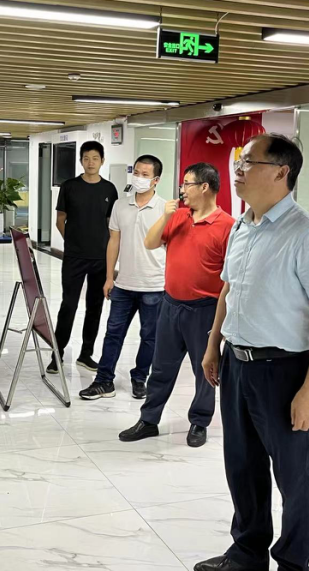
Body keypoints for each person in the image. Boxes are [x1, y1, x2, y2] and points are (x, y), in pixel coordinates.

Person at [198, 134, 309, 571]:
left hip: (284, 371)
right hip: (236, 364)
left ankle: (293, 563)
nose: (238, 170)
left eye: (248, 162)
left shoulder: (308, 235)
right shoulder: (242, 226)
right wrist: (213, 344)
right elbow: (228, 289)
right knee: (242, 466)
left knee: (293, 476)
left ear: (281, 172)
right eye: (239, 161)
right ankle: (247, 552)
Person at [118, 163, 234, 448]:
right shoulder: (179, 216)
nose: (182, 190)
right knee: (161, 368)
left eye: (187, 184)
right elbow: (150, 242)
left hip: (205, 310)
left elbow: (231, 278)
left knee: (204, 371)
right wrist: (166, 215)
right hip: (170, 305)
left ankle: (199, 422)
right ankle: (149, 419)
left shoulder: (228, 226)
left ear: (204, 187)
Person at [79, 155, 166, 401]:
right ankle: (103, 381)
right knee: (113, 333)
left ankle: (140, 377)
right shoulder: (120, 205)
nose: (139, 178)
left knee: (149, 337)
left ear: (156, 180)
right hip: (124, 284)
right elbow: (113, 242)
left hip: (155, 285)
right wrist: (109, 277)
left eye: (145, 175)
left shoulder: (165, 209)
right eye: (136, 172)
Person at [50, 141, 119, 373]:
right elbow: (60, 220)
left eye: (95, 158)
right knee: (68, 305)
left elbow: (111, 224)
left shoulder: (109, 189)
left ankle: (86, 354)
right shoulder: (69, 186)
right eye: (86, 158)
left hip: (100, 257)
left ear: (102, 161)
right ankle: (57, 354)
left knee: (95, 306)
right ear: (81, 161)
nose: (91, 163)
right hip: (75, 257)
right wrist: (71, 242)